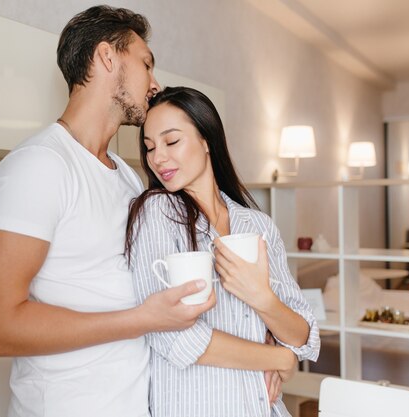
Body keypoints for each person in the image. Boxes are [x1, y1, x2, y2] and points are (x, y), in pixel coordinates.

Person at [0, 7, 215, 417]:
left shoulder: (129, 179)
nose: (156, 84)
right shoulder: (39, 165)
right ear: (106, 57)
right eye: (146, 64)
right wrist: (142, 319)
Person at [125, 86, 321, 417]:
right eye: (149, 147)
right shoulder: (156, 213)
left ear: (206, 139)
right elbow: (171, 338)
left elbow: (304, 336)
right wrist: (276, 357)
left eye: (171, 142)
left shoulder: (257, 225)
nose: (157, 158)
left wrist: (262, 298)